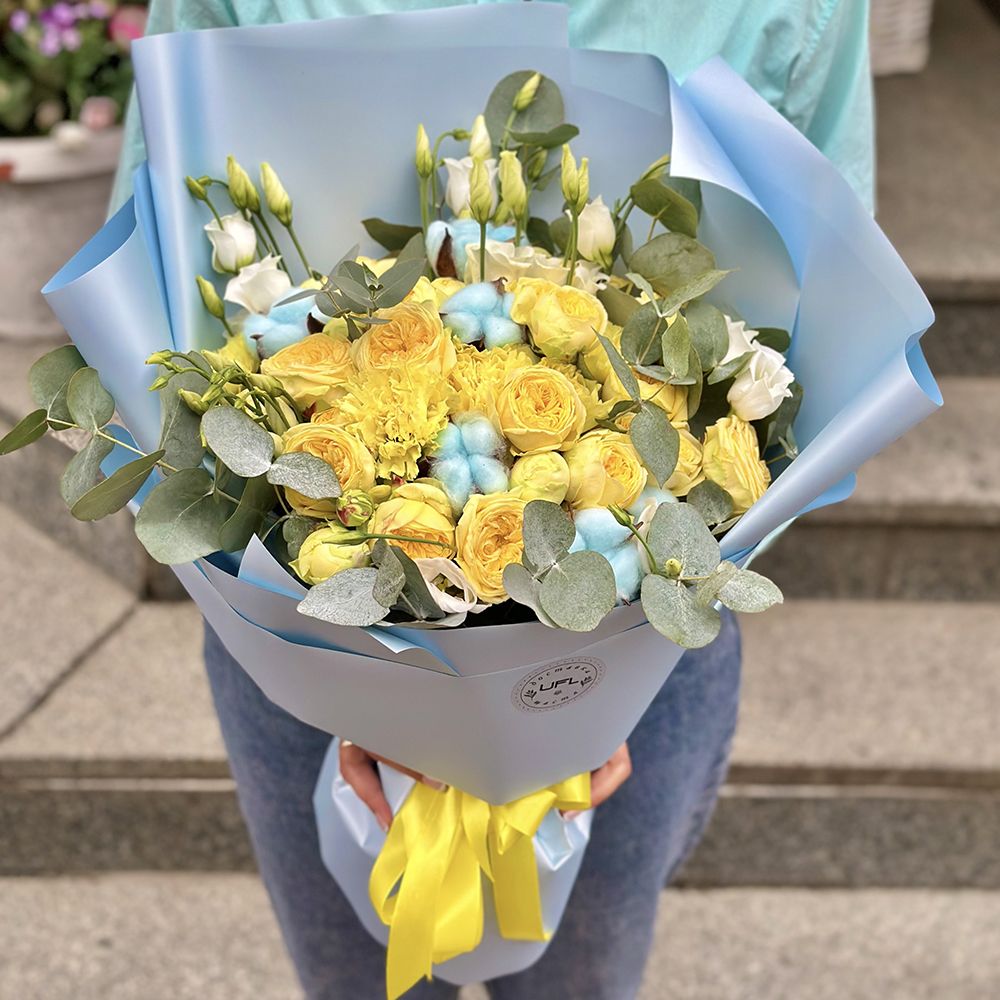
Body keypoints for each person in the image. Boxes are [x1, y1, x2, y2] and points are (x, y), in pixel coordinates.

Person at [113, 3, 873, 998]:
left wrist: (585, 699)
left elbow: (829, 308)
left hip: (637, 657)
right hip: (306, 650)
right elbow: (155, 285)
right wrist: (368, 698)